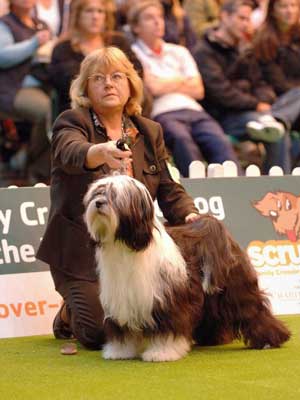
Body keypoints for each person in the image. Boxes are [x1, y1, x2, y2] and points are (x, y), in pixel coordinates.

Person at [37, 46, 201, 349]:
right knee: (101, 334)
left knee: (177, 314)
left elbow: (168, 187)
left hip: (136, 249)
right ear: (86, 88)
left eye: (116, 77)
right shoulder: (72, 122)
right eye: (97, 78)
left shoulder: (149, 131)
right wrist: (99, 152)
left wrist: (189, 214)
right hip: (82, 254)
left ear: (131, 85)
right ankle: (69, 312)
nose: (108, 84)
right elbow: (70, 150)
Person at [128, 0, 242, 177]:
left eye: (160, 17)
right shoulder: (133, 54)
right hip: (163, 113)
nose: (158, 22)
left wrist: (165, 83)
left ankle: (239, 189)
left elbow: (198, 90)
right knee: (182, 140)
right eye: (149, 18)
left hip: (194, 110)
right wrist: (182, 81)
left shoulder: (179, 51)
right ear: (135, 27)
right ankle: (199, 193)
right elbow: (153, 87)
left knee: (219, 140)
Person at [193, 0, 293, 174]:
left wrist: (263, 101)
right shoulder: (204, 51)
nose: (246, 24)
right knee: (276, 132)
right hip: (224, 117)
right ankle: (276, 188)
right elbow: (221, 92)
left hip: (254, 113)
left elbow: (260, 83)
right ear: (224, 16)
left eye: (248, 19)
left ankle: (279, 184)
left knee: (277, 128)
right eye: (241, 18)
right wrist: (255, 104)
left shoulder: (245, 48)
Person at [49, 0, 145, 116]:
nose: (95, 16)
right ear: (78, 16)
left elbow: (137, 72)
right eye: (89, 11)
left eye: (100, 11)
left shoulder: (118, 42)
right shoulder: (63, 49)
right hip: (79, 112)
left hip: (121, 110)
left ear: (106, 17)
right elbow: (70, 83)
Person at [0, 0, 53, 182]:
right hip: (12, 87)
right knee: (47, 111)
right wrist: (33, 44)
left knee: (64, 108)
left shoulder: (41, 24)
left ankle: (28, 157)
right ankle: (35, 168)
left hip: (44, 83)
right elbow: (2, 56)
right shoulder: (5, 23)